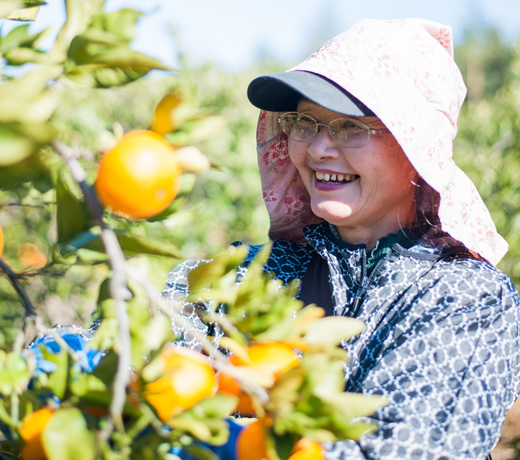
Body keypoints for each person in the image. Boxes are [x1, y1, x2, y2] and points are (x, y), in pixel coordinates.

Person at [164, 18, 520, 459]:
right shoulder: (250, 275)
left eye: (350, 127)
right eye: (305, 123)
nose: (317, 150)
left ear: (415, 148)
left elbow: (405, 449)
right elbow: (130, 355)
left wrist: (216, 441)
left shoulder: (466, 300)